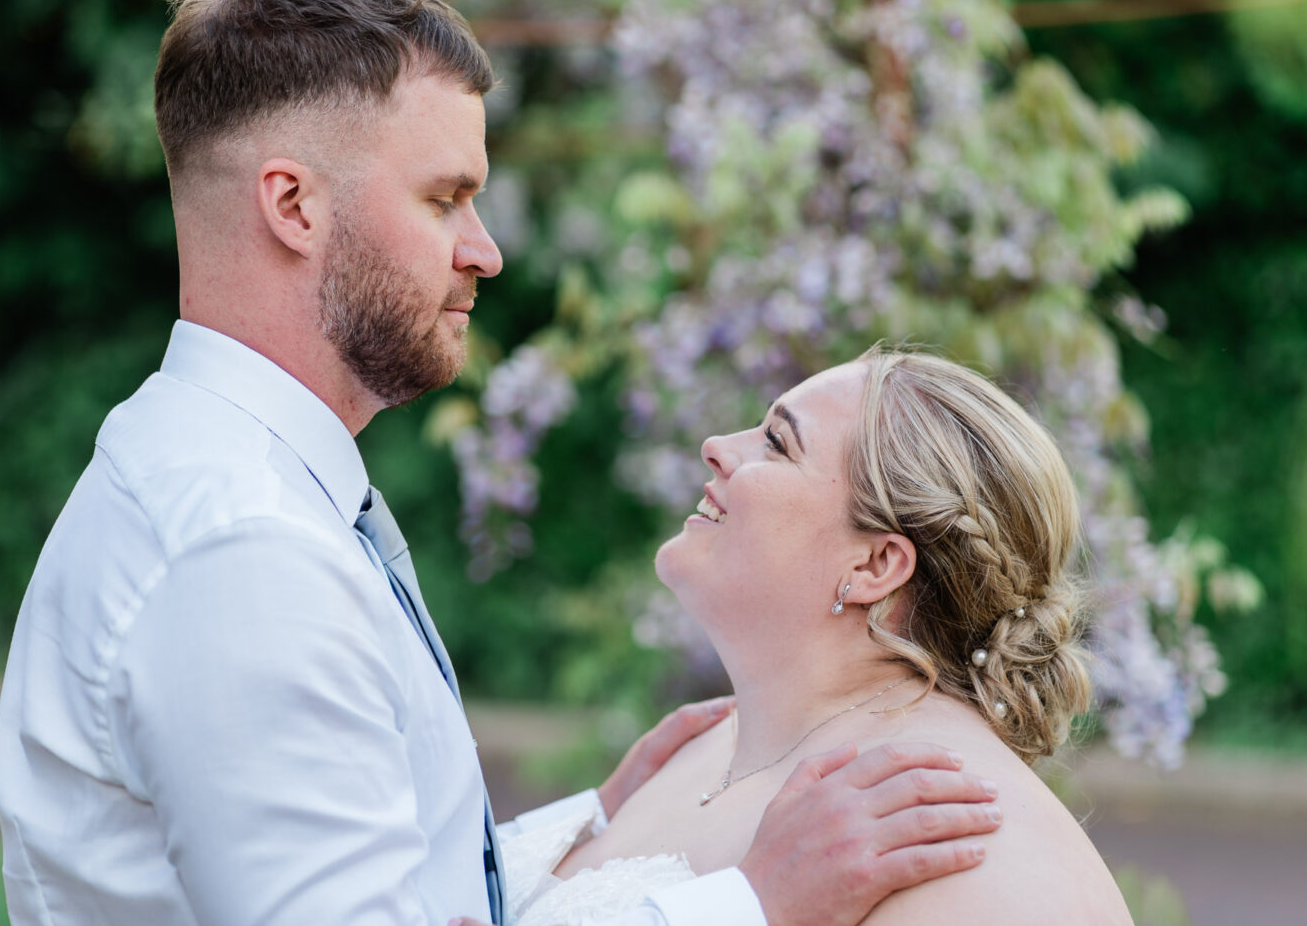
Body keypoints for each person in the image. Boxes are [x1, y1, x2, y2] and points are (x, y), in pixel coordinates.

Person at [0, 0, 1003, 926]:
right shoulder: (244, 551)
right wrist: (756, 901)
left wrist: (597, 824)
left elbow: (360, 877)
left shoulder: (208, 469)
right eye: (444, 201)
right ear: (293, 204)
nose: (486, 251)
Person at [479, 349, 1134, 926]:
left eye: (777, 443)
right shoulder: (704, 752)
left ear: (875, 566)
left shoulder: (934, 825)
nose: (716, 444)